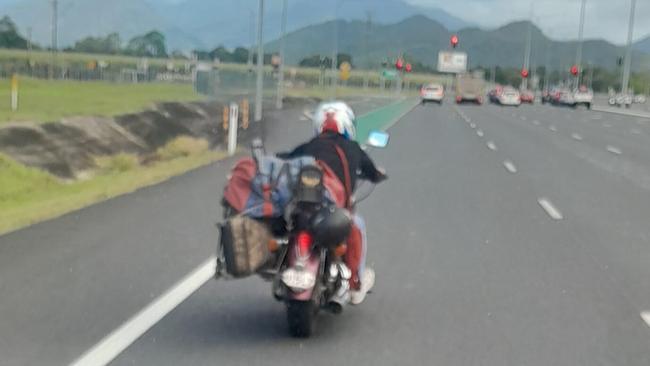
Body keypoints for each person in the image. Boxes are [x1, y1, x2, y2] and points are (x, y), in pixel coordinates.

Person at [278, 101, 387, 304]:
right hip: (331, 209)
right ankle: (355, 283)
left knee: (288, 227)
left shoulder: (309, 146)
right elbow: (371, 172)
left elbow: (286, 158)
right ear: (346, 124)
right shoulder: (353, 148)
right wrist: (377, 174)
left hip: (302, 209)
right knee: (357, 225)